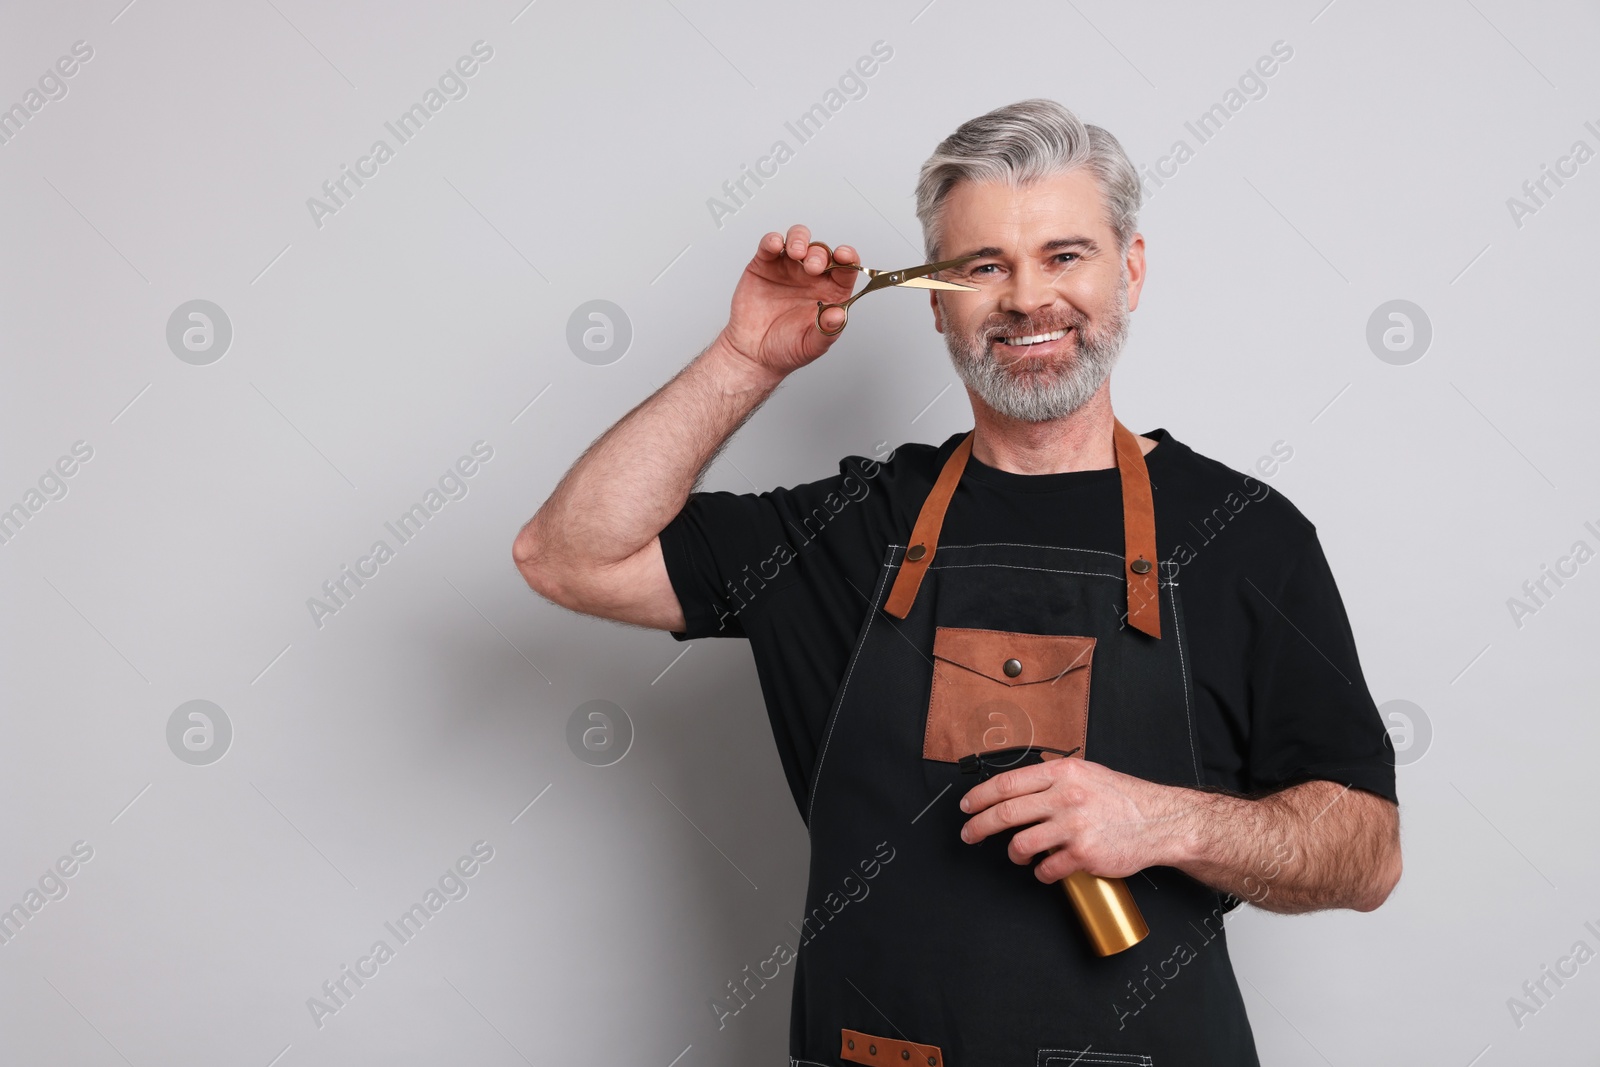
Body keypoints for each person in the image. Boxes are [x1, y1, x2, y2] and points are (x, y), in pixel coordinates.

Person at [513, 98, 1401, 1066]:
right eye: (984, 266)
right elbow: (567, 555)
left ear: (1130, 270)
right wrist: (744, 359)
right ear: (936, 300)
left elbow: (1364, 854)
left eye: (1066, 255)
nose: (1027, 299)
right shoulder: (851, 529)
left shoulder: (1245, 537)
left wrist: (1161, 818)